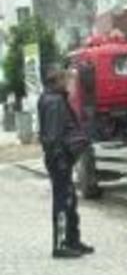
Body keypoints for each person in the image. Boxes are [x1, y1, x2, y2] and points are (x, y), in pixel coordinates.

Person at [38, 66, 95, 259]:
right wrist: (60, 159)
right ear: (58, 81)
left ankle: (72, 240)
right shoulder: (54, 102)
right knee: (63, 201)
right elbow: (53, 136)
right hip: (59, 158)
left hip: (61, 157)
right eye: (68, 80)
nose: (71, 84)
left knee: (70, 199)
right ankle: (61, 244)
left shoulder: (54, 98)